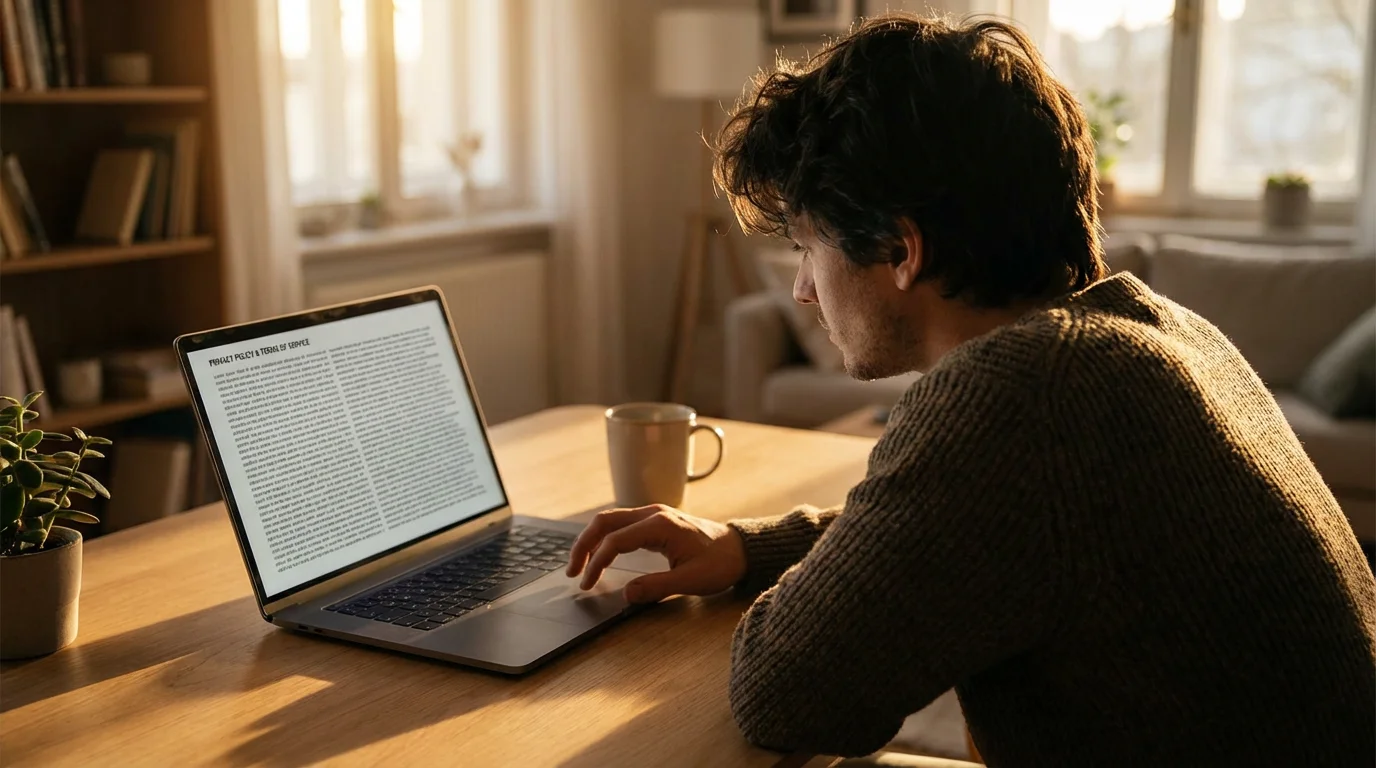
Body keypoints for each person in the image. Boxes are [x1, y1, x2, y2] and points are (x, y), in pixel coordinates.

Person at [566, 12, 1376, 766]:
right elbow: (965, 536)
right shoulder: (1152, 331)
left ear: (900, 248)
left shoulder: (1025, 394)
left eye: (807, 247)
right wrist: (746, 548)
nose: (803, 293)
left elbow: (788, 694)